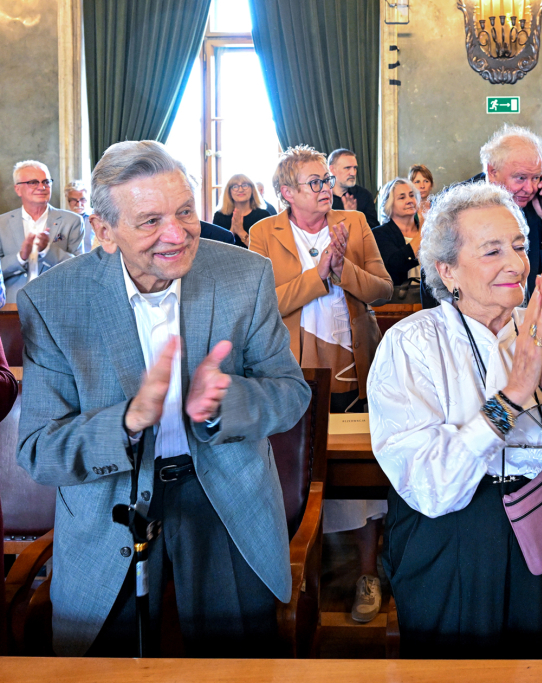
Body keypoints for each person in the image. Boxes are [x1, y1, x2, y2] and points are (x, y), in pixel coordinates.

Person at [17, 140, 311, 657]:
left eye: (184, 212)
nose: (177, 235)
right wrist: (128, 420)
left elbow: (289, 393)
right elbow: (40, 450)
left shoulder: (244, 275)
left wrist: (227, 401)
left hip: (227, 500)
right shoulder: (52, 301)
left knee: (237, 662)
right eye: (150, 221)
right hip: (110, 505)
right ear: (104, 232)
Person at [368, 181, 542, 658]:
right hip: (449, 534)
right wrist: (509, 399)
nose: (516, 263)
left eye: (520, 245)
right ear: (448, 272)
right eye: (492, 251)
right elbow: (430, 483)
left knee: (539, 662)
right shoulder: (412, 344)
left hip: (538, 519)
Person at [249, 145, 392, 623]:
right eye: (315, 182)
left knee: (361, 472)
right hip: (290, 372)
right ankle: (290, 574)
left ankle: (367, 574)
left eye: (327, 181)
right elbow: (262, 304)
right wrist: (317, 276)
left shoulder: (354, 225)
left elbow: (383, 289)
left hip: (352, 364)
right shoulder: (261, 233)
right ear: (286, 192)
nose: (327, 189)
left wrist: (343, 268)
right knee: (294, 474)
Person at [421, 125, 542, 309]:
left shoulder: (541, 203)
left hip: (528, 322)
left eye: (535, 178)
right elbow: (434, 278)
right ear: (492, 171)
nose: (529, 188)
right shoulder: (456, 206)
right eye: (520, 178)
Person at [1, 160, 84, 302]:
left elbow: (79, 269)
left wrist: (47, 251)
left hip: (58, 304)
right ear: (18, 189)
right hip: (13, 306)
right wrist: (20, 257)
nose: (42, 187)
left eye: (46, 181)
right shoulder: (2, 223)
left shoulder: (72, 221)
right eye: (33, 182)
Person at [373, 177, 422, 304]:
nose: (409, 201)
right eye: (402, 197)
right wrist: (424, 229)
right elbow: (396, 264)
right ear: (389, 204)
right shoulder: (379, 234)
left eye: (412, 195)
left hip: (430, 302)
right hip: (397, 304)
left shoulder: (432, 233)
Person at [212, 173, 272, 247]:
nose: (240, 190)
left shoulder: (263, 216)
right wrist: (232, 232)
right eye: (235, 186)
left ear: (252, 190)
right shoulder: (219, 216)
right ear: (229, 192)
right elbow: (217, 250)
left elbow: (264, 250)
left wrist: (240, 231)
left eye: (245, 185)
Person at [328, 149, 379, 228]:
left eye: (355, 168)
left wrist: (354, 216)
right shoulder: (322, 195)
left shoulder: (364, 195)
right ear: (332, 170)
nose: (353, 173)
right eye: (347, 168)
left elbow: (374, 230)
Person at [64, 180, 94, 250]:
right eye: (73, 200)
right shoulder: (62, 220)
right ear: (67, 199)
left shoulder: (100, 218)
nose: (78, 204)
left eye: (83, 199)